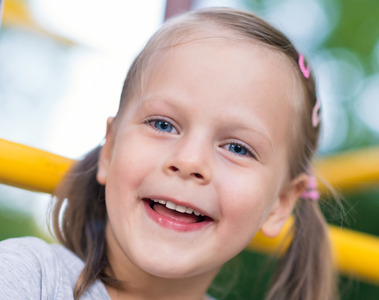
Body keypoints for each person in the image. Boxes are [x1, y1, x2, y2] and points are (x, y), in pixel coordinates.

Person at [0, 7, 335, 300]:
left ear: (280, 203)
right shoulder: (30, 278)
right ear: (110, 149)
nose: (189, 161)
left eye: (237, 148)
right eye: (163, 125)